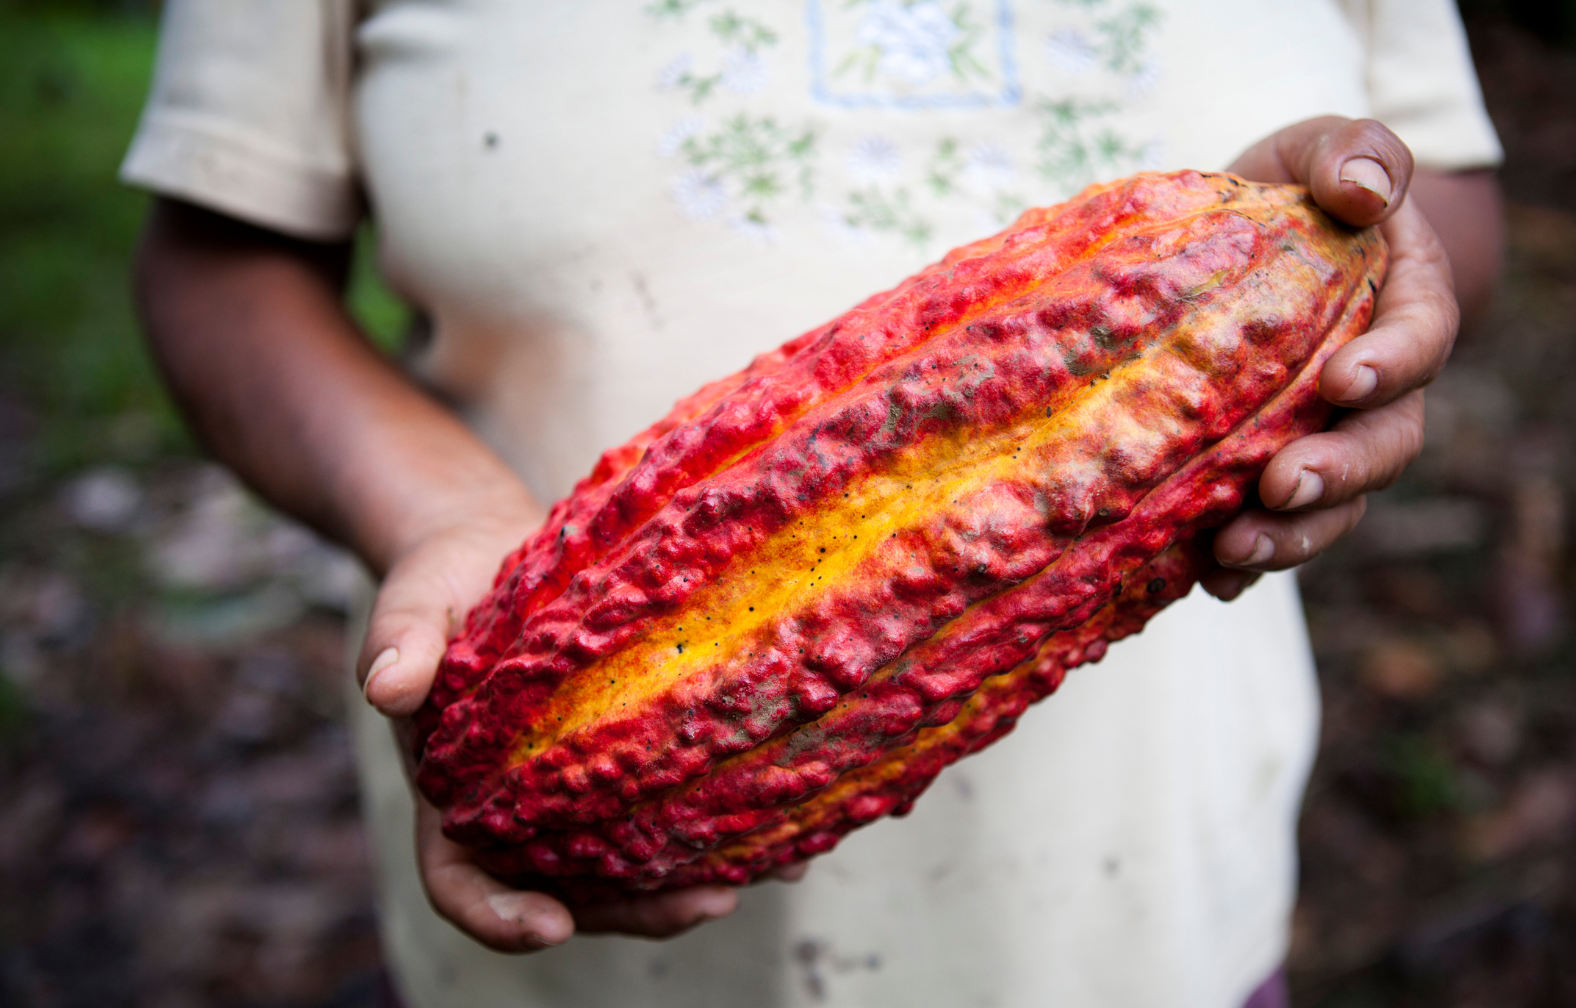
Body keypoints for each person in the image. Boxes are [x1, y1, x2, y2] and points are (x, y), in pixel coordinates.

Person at [121, 1, 1502, 1005]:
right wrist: (433, 512)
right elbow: (219, 257)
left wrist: (1373, 257)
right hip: (542, 828)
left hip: (1140, 921)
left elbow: (1443, 197)